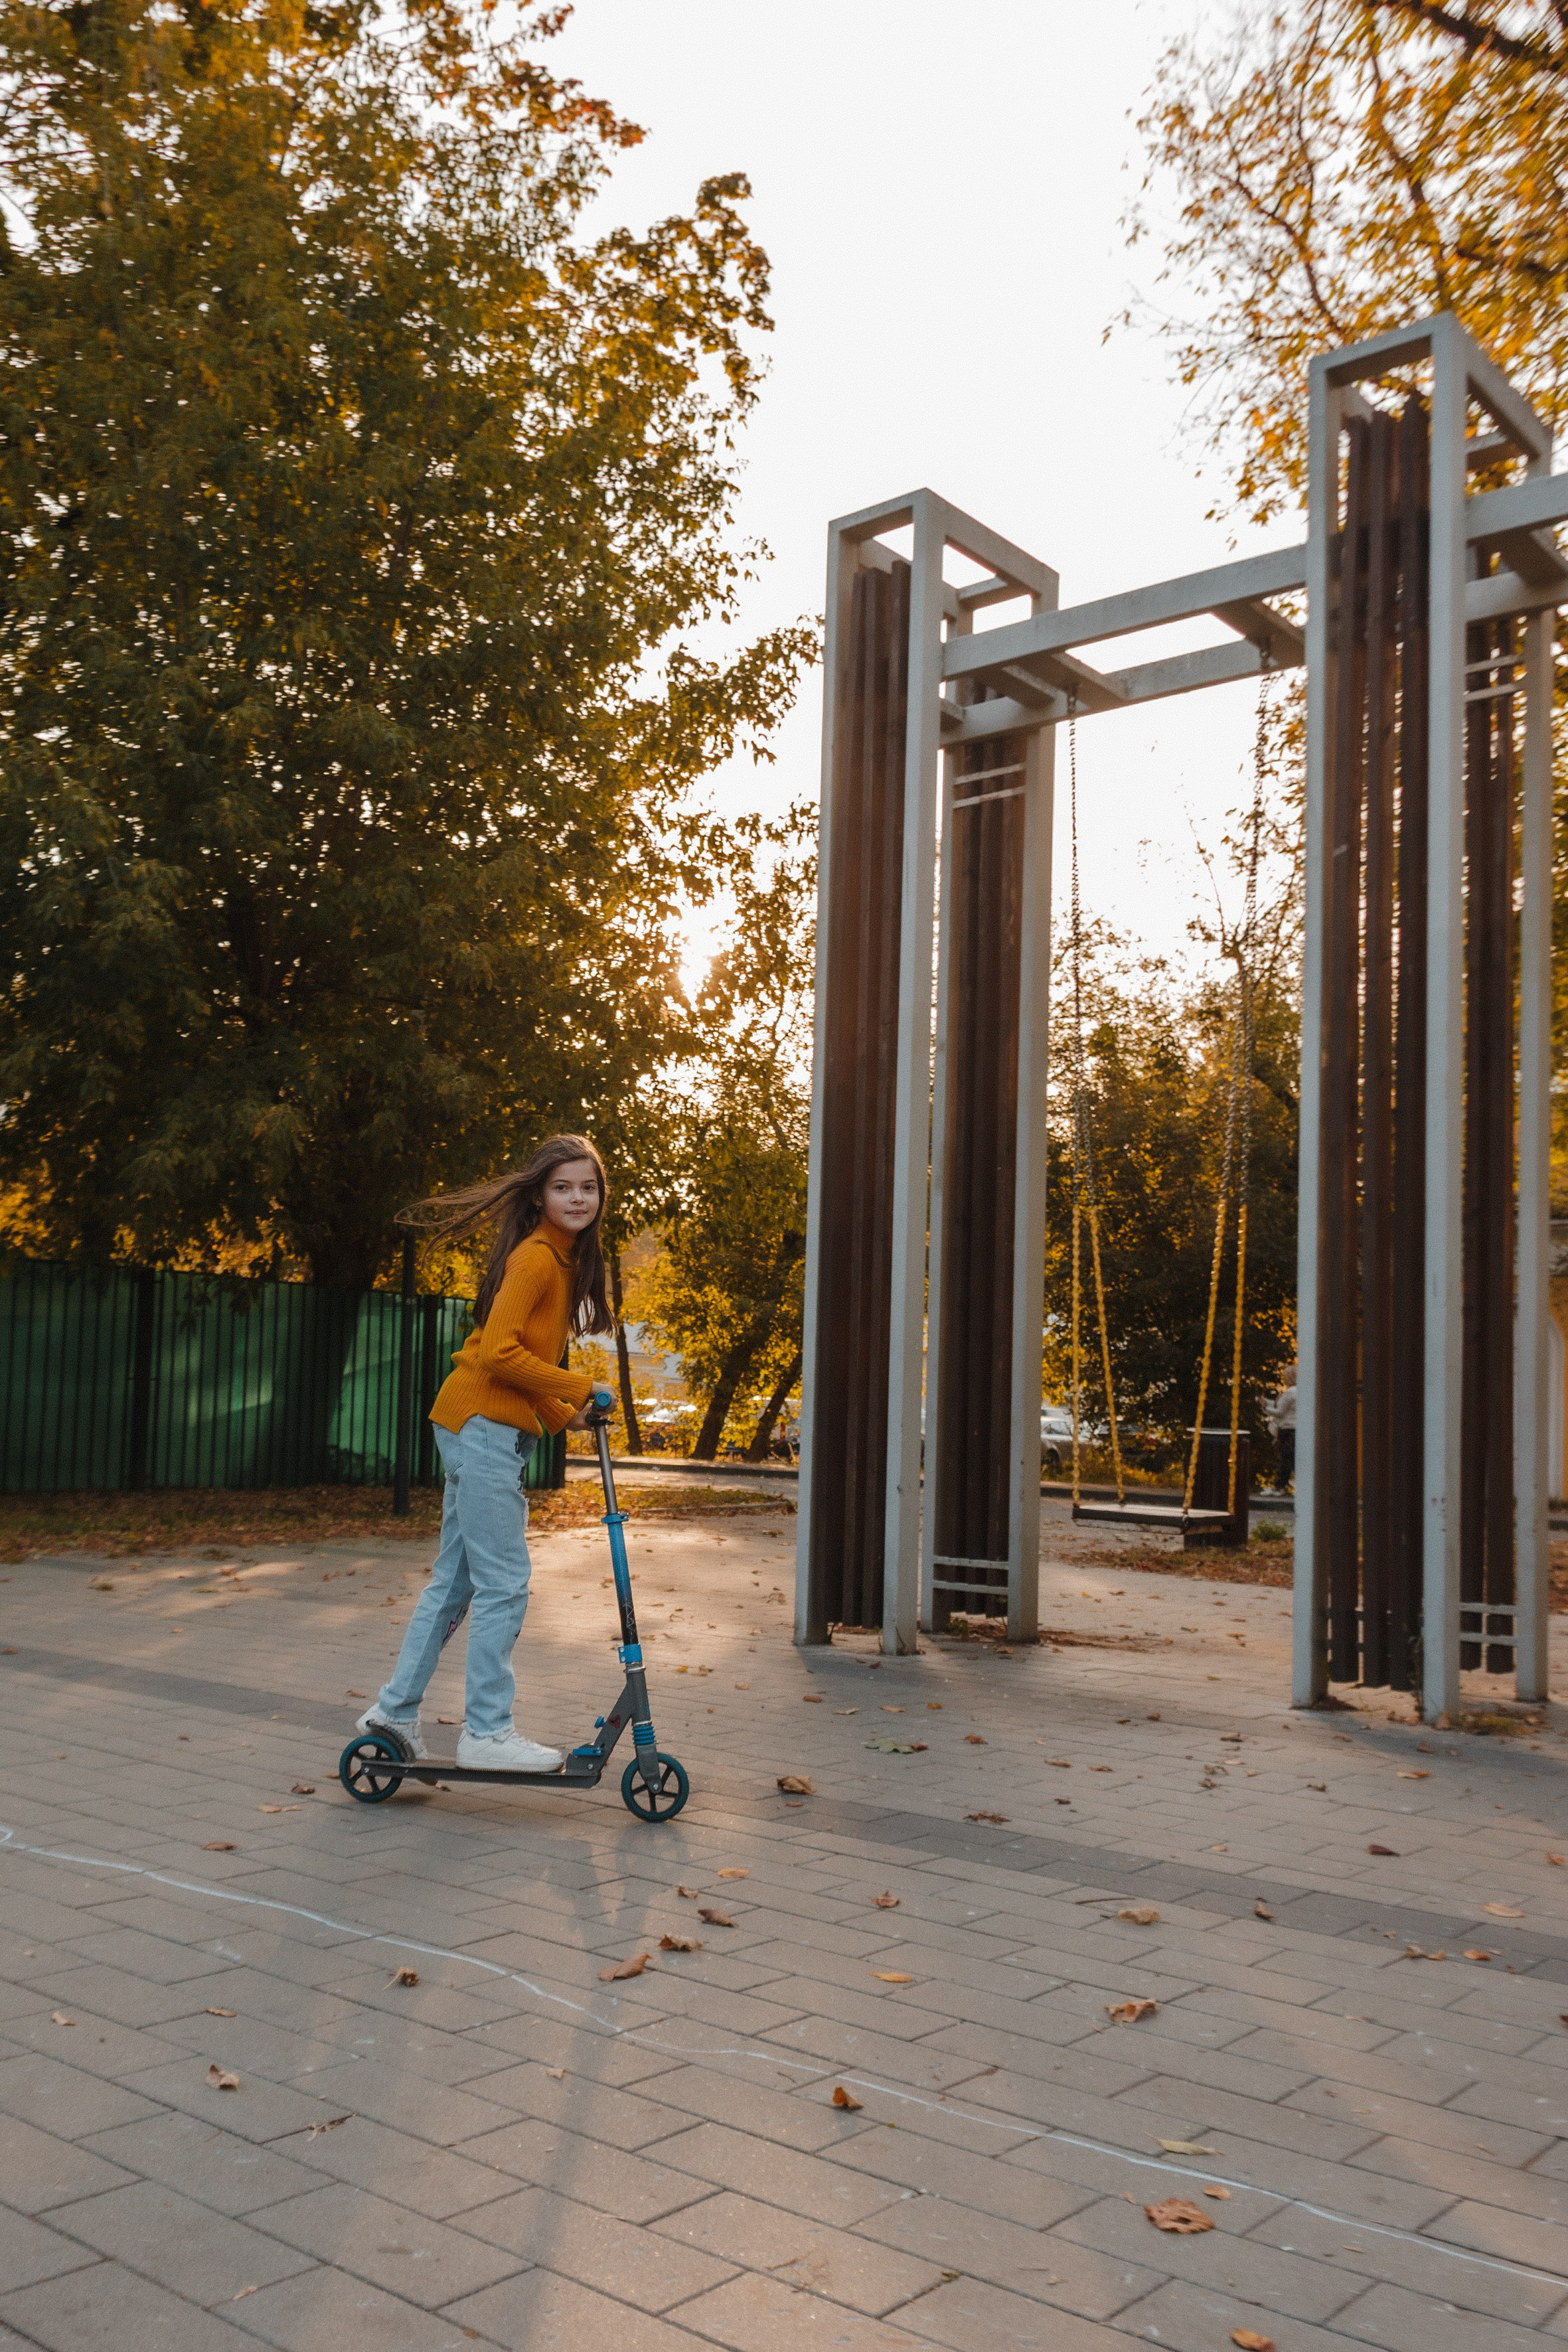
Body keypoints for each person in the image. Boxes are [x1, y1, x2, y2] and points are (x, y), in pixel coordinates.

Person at [356, 1135, 613, 1771]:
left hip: (478, 1422)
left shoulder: (560, 1258)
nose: (577, 1197)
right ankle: (487, 1733)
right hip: (482, 1429)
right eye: (563, 1187)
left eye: (588, 1186)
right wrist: (578, 1386)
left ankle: (393, 1711)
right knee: (505, 1583)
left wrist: (564, 1414)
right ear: (539, 1195)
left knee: (457, 1582)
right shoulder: (536, 1259)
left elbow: (522, 1363)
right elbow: (498, 1353)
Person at [1269, 1368, 1297, 1493]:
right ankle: (1280, 1485)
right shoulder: (1300, 1391)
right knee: (1292, 1458)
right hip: (1295, 1428)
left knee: (1285, 1458)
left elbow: (1279, 1412)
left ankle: (1278, 1486)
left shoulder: (1290, 1392)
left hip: (1287, 1429)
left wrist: (1265, 1407)